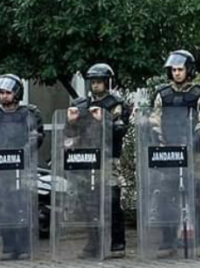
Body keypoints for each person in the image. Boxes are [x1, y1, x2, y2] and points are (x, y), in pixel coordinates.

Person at [150, 50, 200, 257]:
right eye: (174, 70)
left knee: (195, 196)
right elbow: (154, 120)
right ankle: (168, 241)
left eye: (180, 69)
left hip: (194, 153)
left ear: (189, 70)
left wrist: (194, 139)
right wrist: (159, 142)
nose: (177, 73)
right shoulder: (162, 94)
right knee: (166, 197)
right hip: (168, 152)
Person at [64, 63, 129, 258]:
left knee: (113, 200)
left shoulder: (116, 104)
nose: (95, 86)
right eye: (93, 82)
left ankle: (117, 243)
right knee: (88, 203)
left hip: (108, 159)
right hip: (87, 159)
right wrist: (71, 122)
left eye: (99, 82)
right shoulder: (81, 104)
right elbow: (70, 134)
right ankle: (93, 243)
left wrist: (105, 119)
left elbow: (120, 131)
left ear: (108, 83)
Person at [0, 74, 43, 260]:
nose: (4, 96)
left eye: (8, 92)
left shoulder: (28, 113)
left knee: (22, 206)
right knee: (3, 208)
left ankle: (24, 247)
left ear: (17, 93)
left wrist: (21, 154)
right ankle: (8, 247)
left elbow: (35, 137)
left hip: (21, 168)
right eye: (2, 93)